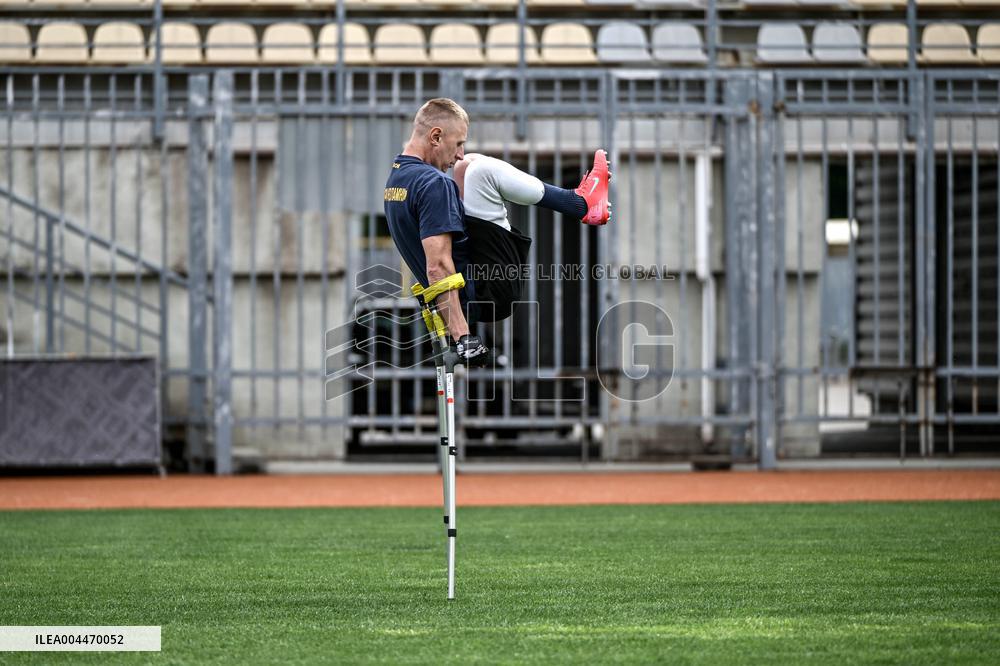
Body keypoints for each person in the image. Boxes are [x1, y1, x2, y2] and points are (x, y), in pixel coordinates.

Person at [383, 98, 611, 367]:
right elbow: (438, 267)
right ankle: (581, 203)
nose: (458, 151)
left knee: (467, 165)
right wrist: (462, 336)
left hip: (469, 290)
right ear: (436, 136)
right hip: (489, 288)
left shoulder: (397, 180)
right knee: (482, 170)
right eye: (457, 143)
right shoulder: (433, 185)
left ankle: (582, 203)